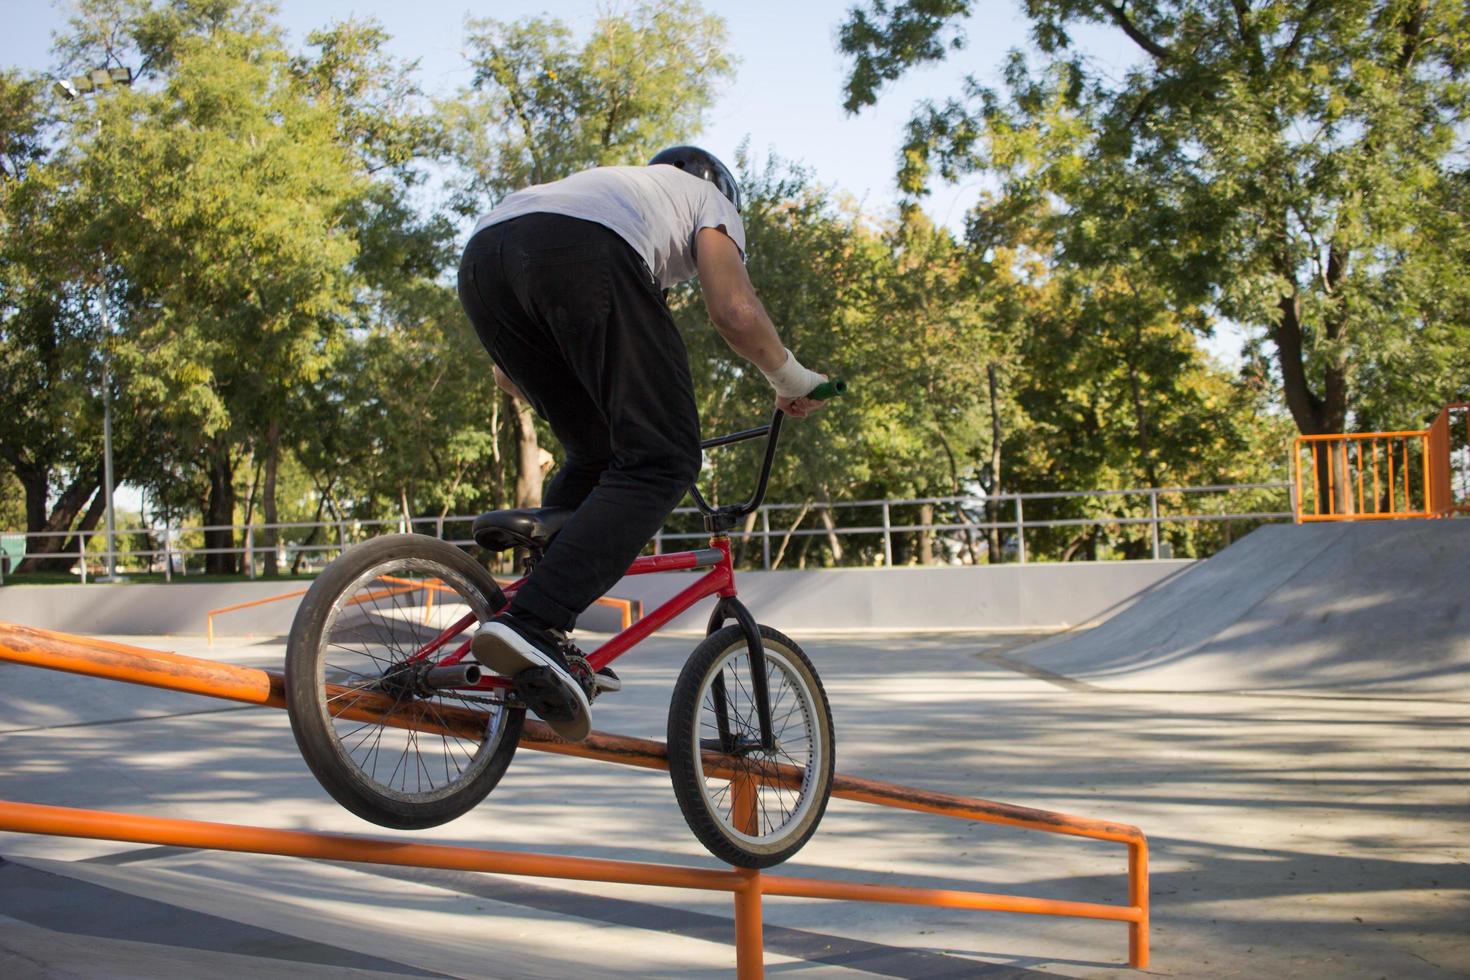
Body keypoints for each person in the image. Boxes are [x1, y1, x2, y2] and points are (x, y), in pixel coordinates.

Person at [456, 146, 828, 742]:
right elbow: (735, 310)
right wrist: (790, 377)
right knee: (665, 458)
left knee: (601, 451)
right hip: (583, 255)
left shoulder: (607, 190)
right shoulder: (704, 199)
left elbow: (507, 377)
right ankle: (532, 620)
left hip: (482, 259)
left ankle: (535, 613)